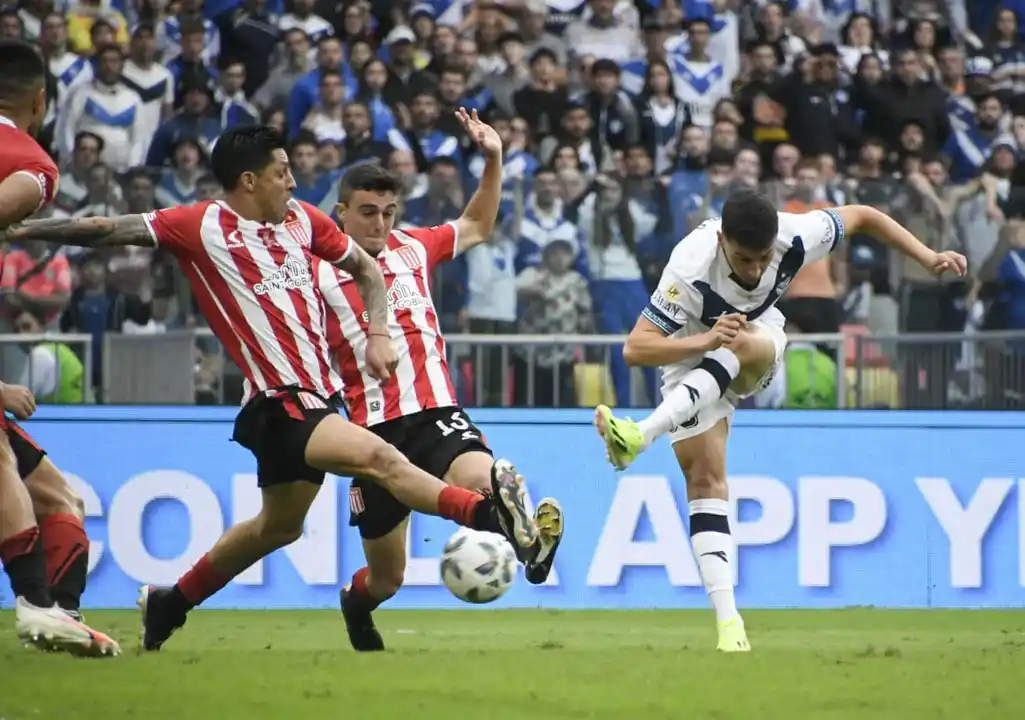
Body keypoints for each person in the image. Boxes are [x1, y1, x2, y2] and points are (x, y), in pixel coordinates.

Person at [2, 123, 542, 652]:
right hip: (277, 401)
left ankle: (172, 602)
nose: (293, 181)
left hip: (319, 399)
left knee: (277, 528)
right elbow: (104, 229)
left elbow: (369, 272)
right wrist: (24, 228)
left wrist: (378, 333)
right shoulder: (199, 225)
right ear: (248, 180)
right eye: (282, 172)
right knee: (383, 459)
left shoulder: (304, 223)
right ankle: (486, 515)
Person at [594, 192, 967, 652]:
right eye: (743, 259)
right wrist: (705, 340)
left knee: (736, 342)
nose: (754, 270)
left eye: (762, 259)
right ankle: (731, 627)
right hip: (691, 350)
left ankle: (640, 433)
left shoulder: (795, 236)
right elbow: (637, 348)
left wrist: (929, 256)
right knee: (706, 480)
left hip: (758, 340)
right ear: (721, 239)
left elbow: (865, 216)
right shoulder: (689, 264)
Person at [315, 110, 564, 652]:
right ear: (341, 214)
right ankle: (356, 605)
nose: (380, 224)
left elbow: (477, 225)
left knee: (490, 475)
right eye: (367, 213)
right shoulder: (315, 272)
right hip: (369, 434)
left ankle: (522, 538)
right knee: (387, 580)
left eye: (387, 212)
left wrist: (494, 158)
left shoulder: (414, 247)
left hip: (434, 413)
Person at [0, 38, 119, 656]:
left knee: (55, 494)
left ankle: (58, 613)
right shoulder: (32, 165)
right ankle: (36, 607)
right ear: (40, 101)